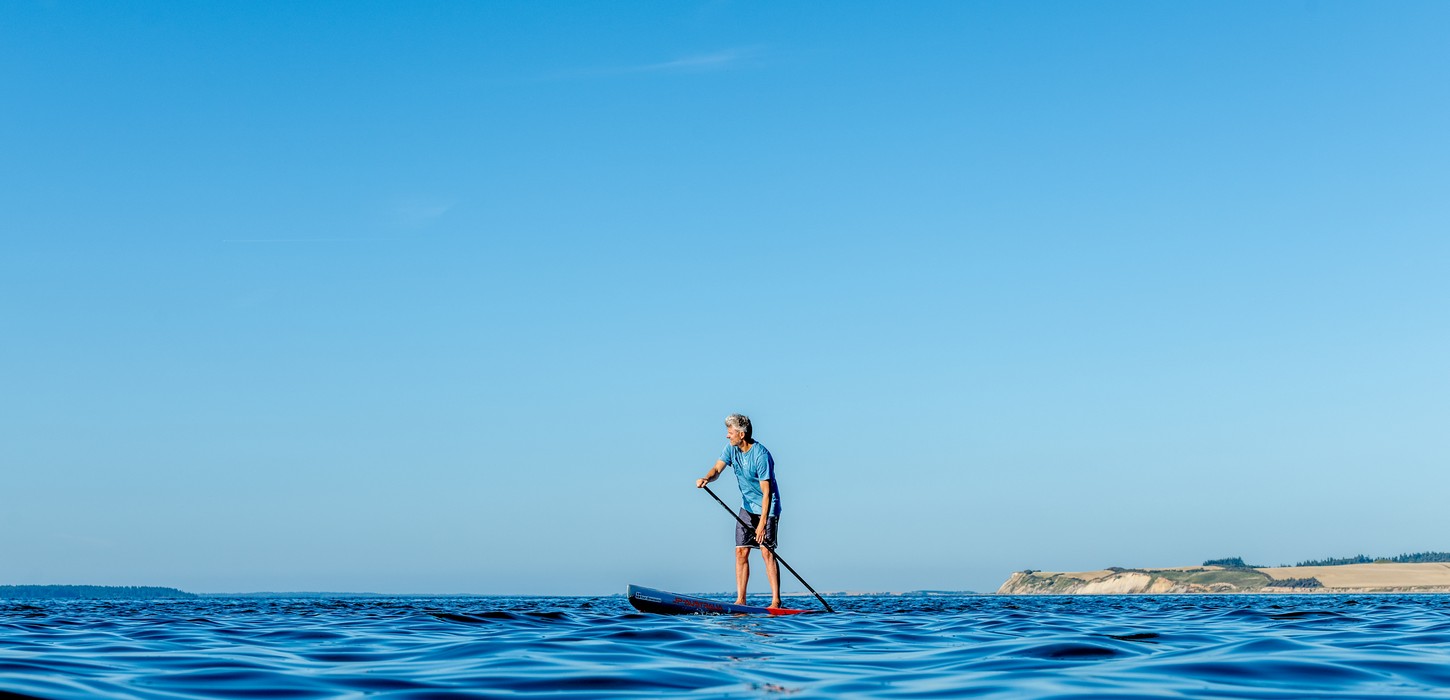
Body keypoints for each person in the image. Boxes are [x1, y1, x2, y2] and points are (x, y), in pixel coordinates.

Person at [696, 413, 782, 608]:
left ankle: (776, 601)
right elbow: (717, 469)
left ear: (741, 434)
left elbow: (766, 493)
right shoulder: (731, 449)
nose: (727, 436)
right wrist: (706, 478)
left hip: (767, 508)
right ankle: (741, 600)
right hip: (747, 507)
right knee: (741, 552)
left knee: (766, 553)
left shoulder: (761, 455)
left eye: (730, 432)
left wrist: (761, 525)